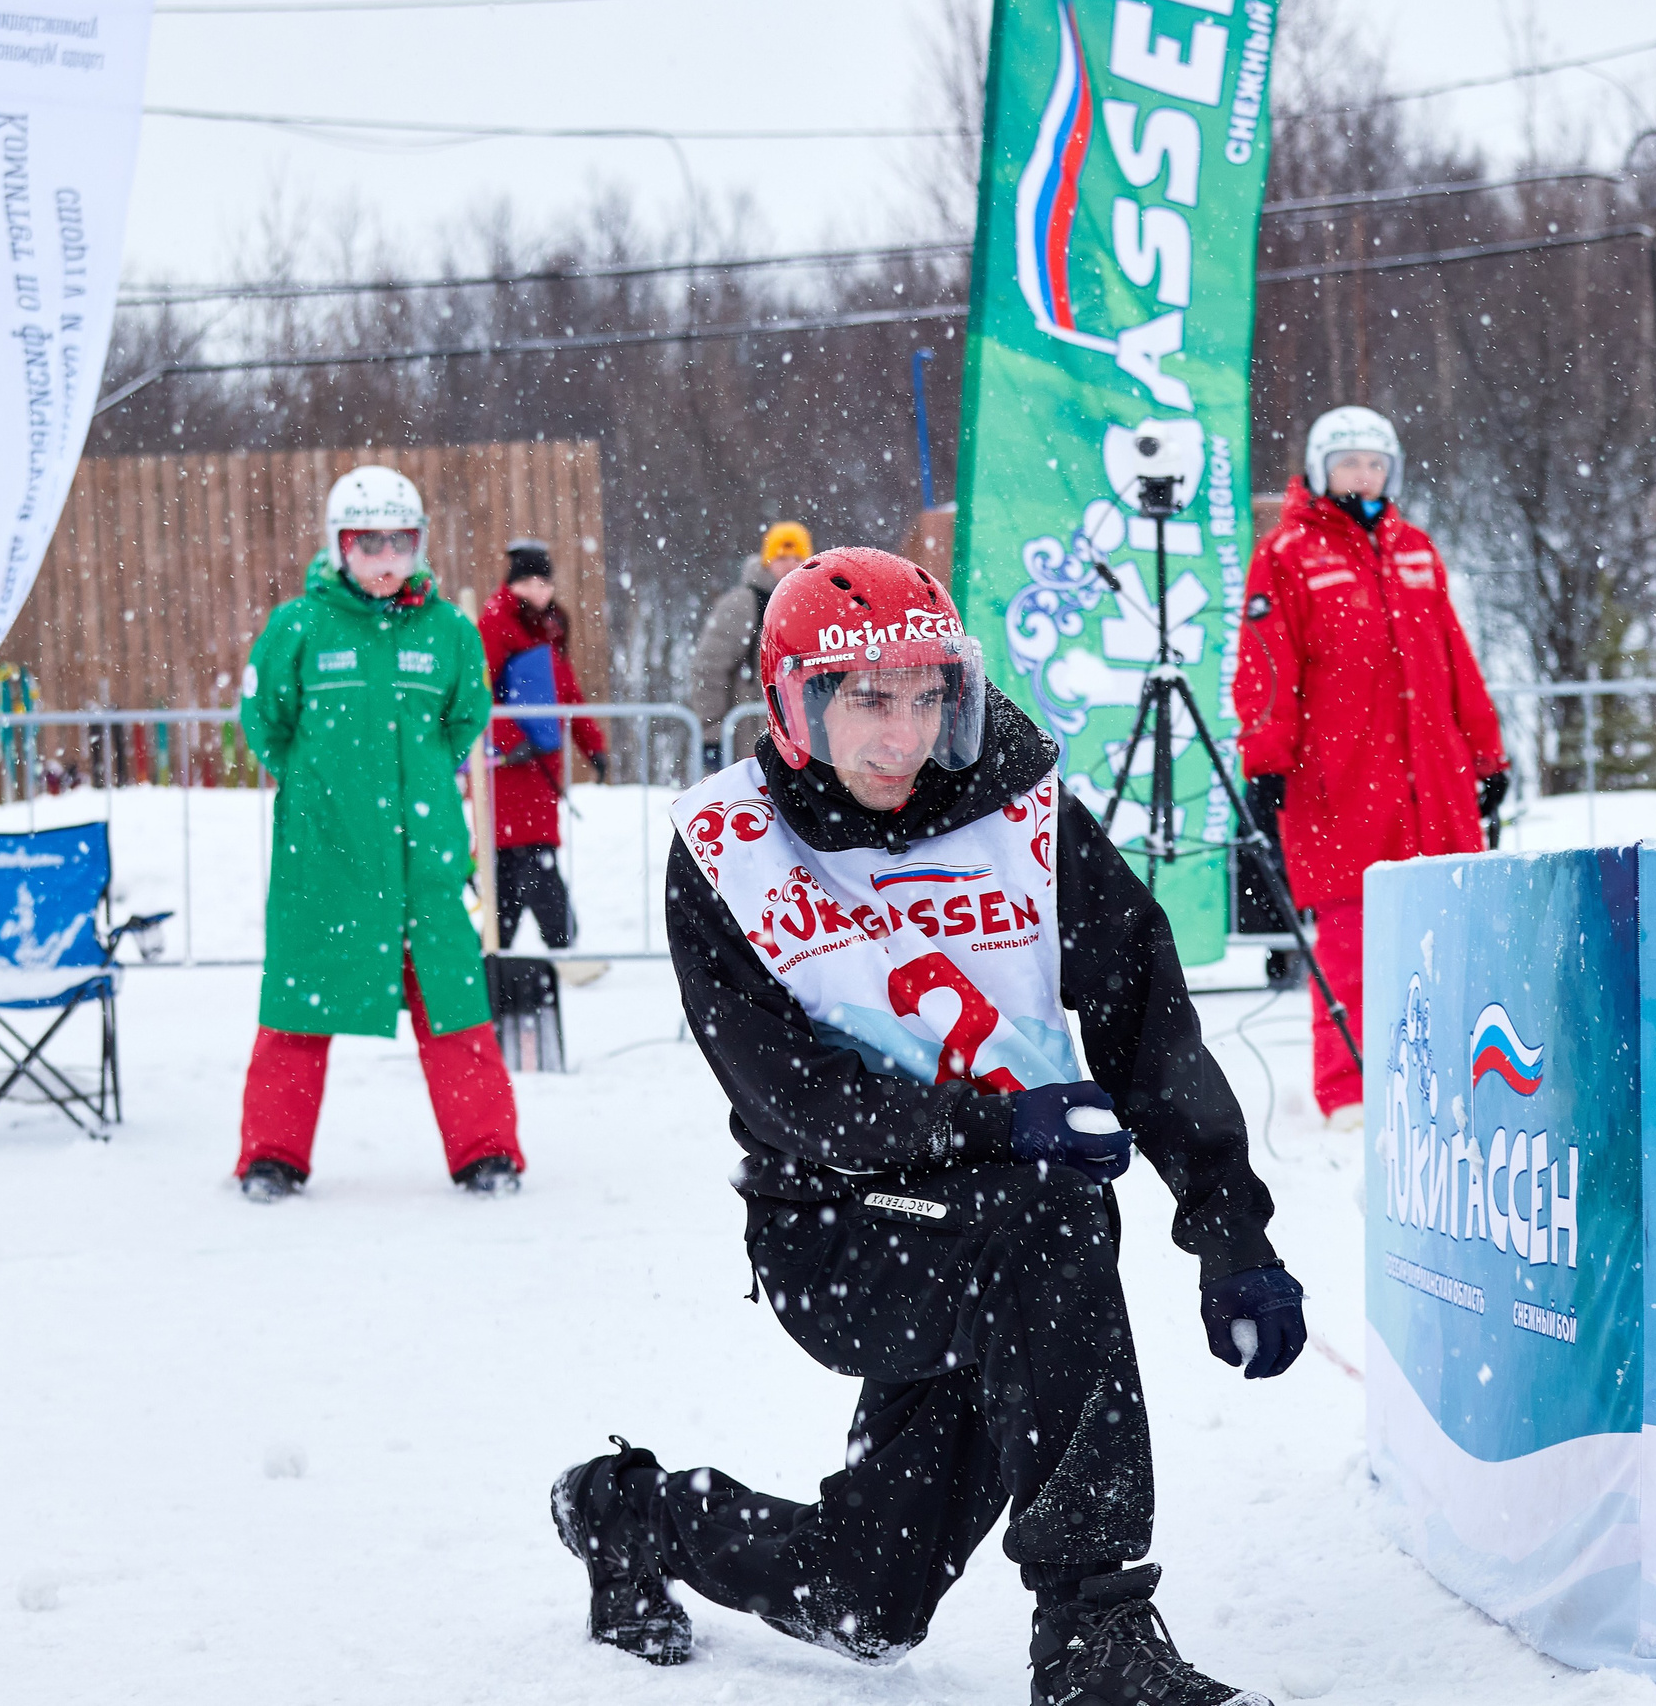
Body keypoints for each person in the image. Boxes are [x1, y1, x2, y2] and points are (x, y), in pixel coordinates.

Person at [554, 548, 1302, 1706]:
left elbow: (1146, 1023)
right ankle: (1093, 1634)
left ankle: (627, 1514)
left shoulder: (1029, 813)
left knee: (866, 1603)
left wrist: (1231, 1237)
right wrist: (990, 1128)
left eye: (925, 696)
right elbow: (785, 1093)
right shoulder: (726, 847)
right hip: (844, 1227)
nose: (898, 734)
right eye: (864, 698)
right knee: (1052, 1213)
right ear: (792, 702)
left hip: (991, 1215)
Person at [232, 466, 523, 1200]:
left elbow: (463, 721)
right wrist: (326, 791)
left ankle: (486, 1150)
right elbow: (267, 724)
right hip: (323, 859)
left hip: (424, 862)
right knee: (295, 1009)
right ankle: (271, 1155)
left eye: (402, 540)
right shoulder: (296, 627)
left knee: (456, 1005)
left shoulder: (450, 632)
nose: (386, 557)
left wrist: (413, 789)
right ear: (339, 545)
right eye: (369, 542)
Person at [1234, 407, 1508, 1131]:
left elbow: (1454, 657)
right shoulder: (1287, 554)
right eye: (1349, 462)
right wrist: (1265, 761)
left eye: (1375, 462)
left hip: (1435, 782)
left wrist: (1487, 753)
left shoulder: (1416, 550)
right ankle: (1349, 1092)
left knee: (1449, 932)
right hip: (1342, 786)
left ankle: (1450, 1077)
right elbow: (1266, 665)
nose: (1363, 475)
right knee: (1352, 944)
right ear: (1323, 469)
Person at [481, 540, 609, 959]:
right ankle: (560, 945)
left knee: (518, 861)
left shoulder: (548, 627)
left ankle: (493, 952)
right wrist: (508, 742)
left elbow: (566, 694)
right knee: (529, 857)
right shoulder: (495, 624)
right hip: (507, 767)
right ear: (514, 584)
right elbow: (477, 694)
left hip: (540, 767)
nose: (539, 591)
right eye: (530, 582)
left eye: (545, 582)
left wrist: (594, 746)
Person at [687, 521, 810, 769]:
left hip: (803, 736)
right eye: (782, 557)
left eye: (798, 557)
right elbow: (708, 669)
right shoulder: (743, 604)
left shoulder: (812, 603)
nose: (790, 564)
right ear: (767, 560)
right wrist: (713, 732)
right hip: (750, 737)